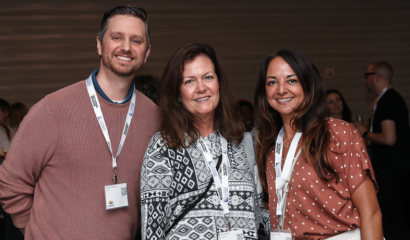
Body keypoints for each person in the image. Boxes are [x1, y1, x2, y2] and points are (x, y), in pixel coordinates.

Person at [0, 5, 159, 239]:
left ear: (146, 52)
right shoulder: (52, 110)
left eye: (136, 40)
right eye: (117, 37)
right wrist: (35, 231)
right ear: (99, 44)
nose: (126, 47)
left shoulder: (154, 117)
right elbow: (11, 184)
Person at [140, 43, 269, 240]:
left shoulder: (242, 142)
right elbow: (152, 232)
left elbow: (260, 213)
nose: (201, 88)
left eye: (208, 77)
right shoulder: (163, 146)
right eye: (189, 81)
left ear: (219, 83)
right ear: (177, 93)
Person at [254, 49, 382, 239]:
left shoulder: (337, 134)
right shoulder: (271, 152)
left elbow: (371, 213)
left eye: (292, 80)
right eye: (272, 82)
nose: (281, 89)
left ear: (308, 85)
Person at [354, 61, 410, 240]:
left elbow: (389, 138)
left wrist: (365, 133)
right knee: (398, 220)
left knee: (389, 221)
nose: (365, 80)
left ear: (377, 77)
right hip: (398, 170)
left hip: (389, 171)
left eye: (367, 76)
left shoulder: (387, 101)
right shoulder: (391, 99)